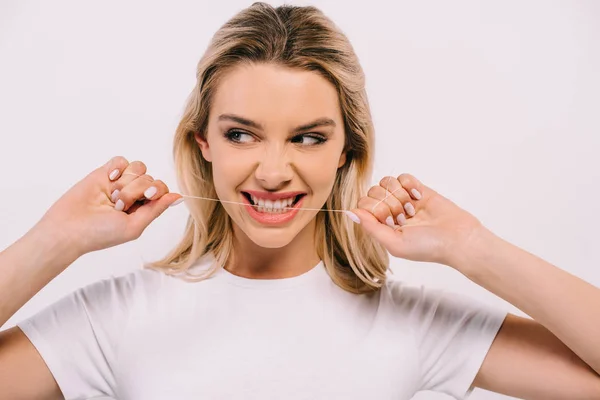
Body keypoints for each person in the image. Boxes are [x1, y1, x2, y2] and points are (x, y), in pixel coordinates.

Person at [1, 2, 599, 399]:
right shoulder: (113, 317)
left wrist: (474, 249)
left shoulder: (418, 325)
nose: (272, 171)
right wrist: (53, 242)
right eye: (241, 134)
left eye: (308, 137)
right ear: (202, 142)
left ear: (345, 150)